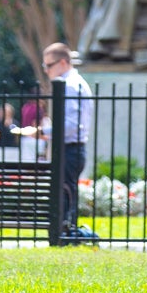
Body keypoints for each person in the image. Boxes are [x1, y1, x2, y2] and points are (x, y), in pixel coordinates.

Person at [42, 42, 93, 238]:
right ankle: (64, 232)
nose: (46, 71)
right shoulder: (74, 83)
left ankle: (63, 234)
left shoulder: (70, 85)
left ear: (63, 62)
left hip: (70, 148)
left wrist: (42, 131)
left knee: (65, 193)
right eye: (44, 66)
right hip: (73, 148)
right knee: (66, 192)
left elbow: (70, 126)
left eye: (49, 65)